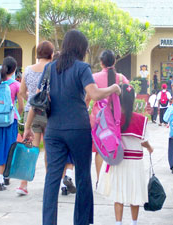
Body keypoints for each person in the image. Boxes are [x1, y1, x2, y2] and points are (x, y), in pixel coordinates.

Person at [23, 30, 121, 225]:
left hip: (54, 131)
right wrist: (113, 88)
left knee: (52, 178)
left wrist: (27, 127)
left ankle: (48, 222)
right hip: (78, 129)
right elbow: (93, 94)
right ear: (80, 48)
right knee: (83, 176)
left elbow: (37, 99)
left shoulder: (50, 68)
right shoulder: (82, 68)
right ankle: (82, 222)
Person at [18, 41, 76, 196]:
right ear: (51, 54)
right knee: (50, 151)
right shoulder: (53, 68)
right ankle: (50, 183)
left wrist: (31, 98)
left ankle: (23, 184)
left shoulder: (28, 70)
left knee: (33, 148)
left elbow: (22, 92)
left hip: (33, 111)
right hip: (50, 112)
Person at [97, 84, 154, 225]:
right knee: (135, 194)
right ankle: (134, 222)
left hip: (118, 160)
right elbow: (144, 141)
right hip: (135, 162)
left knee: (118, 193)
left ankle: (118, 223)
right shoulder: (141, 120)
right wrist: (149, 148)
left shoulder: (112, 119)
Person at [86, 49, 129, 186]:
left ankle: (100, 180)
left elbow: (87, 98)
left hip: (99, 119)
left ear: (101, 62)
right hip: (117, 119)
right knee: (116, 146)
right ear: (114, 61)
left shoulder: (94, 77)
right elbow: (129, 97)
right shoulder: (122, 78)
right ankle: (114, 179)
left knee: (100, 149)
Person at [0, 56, 24, 191]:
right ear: (14, 69)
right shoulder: (15, 85)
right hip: (10, 120)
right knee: (9, 148)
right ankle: (3, 178)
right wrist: (17, 116)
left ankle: (1, 178)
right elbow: (20, 105)